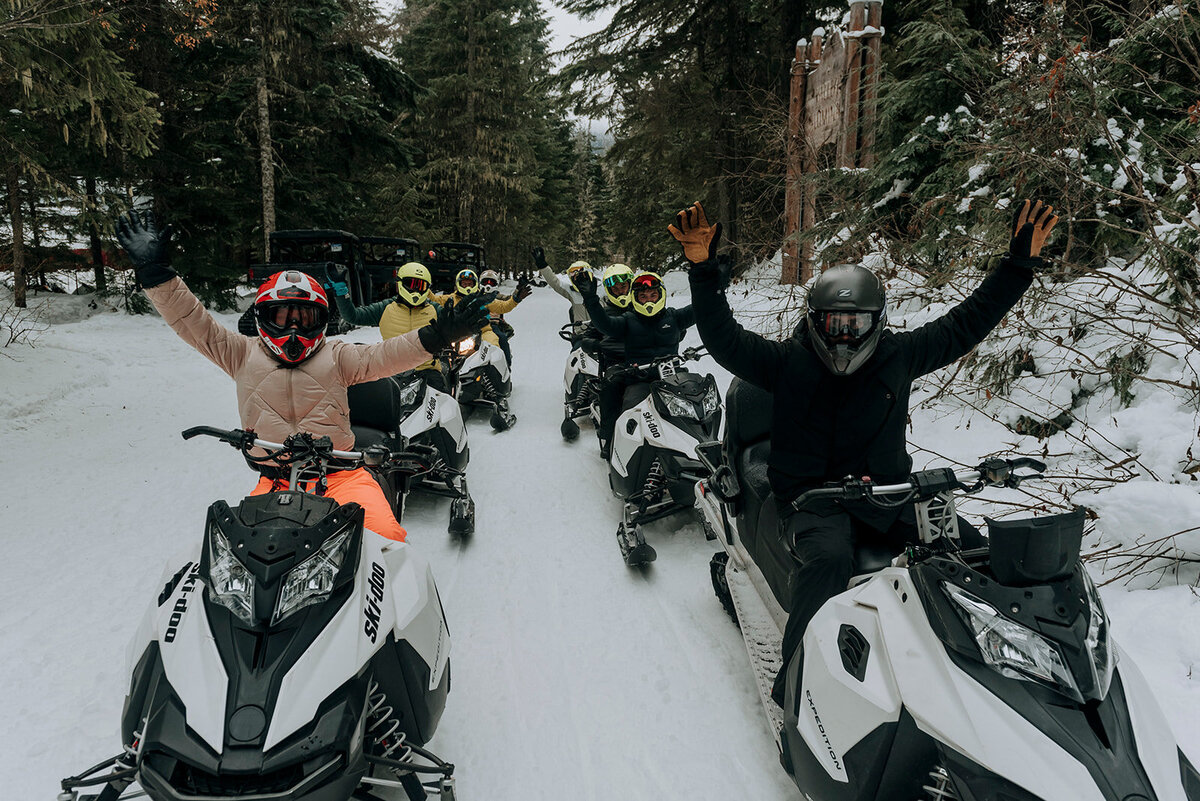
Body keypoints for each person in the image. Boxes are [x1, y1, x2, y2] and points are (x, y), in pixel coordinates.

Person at [669, 198, 1059, 705]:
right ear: (814, 321)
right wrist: (702, 270)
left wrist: (1017, 265)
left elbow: (968, 322)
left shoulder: (900, 357)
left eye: (854, 324)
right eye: (833, 324)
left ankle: (1017, 666)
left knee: (968, 548)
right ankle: (798, 686)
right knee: (827, 563)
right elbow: (725, 340)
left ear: (877, 322)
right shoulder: (787, 363)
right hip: (812, 500)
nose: (844, 335)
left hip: (890, 494)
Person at [115, 211, 489, 542]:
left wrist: (436, 336)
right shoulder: (240, 353)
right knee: (244, 558)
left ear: (320, 322)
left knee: (386, 542)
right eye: (282, 317)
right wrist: (157, 277)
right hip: (274, 479)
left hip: (344, 475)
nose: (293, 328)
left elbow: (386, 355)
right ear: (264, 318)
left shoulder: (337, 355)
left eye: (304, 318)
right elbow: (193, 323)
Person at [577, 269, 695, 459]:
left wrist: (717, 286)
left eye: (653, 294)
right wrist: (590, 298)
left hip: (672, 376)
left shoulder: (674, 317)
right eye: (643, 296)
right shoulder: (628, 320)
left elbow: (703, 307)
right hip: (638, 377)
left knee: (697, 398)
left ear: (660, 294)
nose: (648, 299)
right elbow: (605, 324)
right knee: (623, 402)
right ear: (636, 298)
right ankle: (612, 439)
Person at [326, 261, 451, 392]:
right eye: (411, 284)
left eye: (421, 286)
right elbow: (353, 316)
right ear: (400, 284)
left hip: (427, 371)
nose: (415, 290)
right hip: (392, 372)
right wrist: (341, 292)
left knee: (443, 404)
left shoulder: (435, 309)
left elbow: (455, 323)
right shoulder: (386, 308)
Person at [433, 268, 530, 366]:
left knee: (494, 347)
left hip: (482, 330)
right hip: (455, 332)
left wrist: (516, 299)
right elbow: (432, 299)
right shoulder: (449, 299)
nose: (467, 287)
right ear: (459, 284)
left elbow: (502, 306)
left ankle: (501, 371)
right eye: (464, 284)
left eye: (470, 284)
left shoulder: (483, 297)